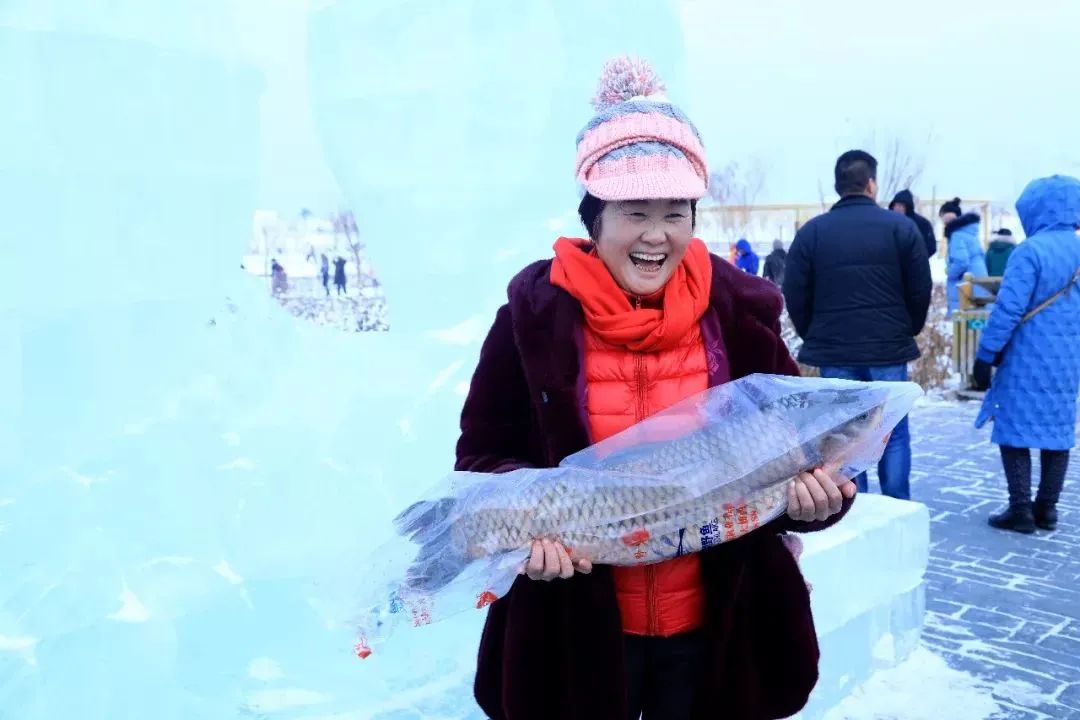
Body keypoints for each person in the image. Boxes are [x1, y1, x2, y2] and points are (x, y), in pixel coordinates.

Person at [459, 56, 857, 720]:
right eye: (634, 211)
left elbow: (798, 456)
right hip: (577, 629)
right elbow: (481, 461)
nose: (655, 235)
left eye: (675, 212)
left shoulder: (740, 317)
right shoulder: (533, 321)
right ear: (594, 219)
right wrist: (524, 538)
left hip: (716, 628)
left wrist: (816, 501)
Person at [782, 150, 932, 500]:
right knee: (893, 431)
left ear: (838, 186)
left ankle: (854, 508)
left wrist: (813, 333)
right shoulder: (901, 228)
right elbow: (920, 287)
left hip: (835, 351)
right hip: (887, 349)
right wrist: (907, 328)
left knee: (845, 438)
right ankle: (897, 506)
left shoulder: (812, 233)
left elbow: (795, 291)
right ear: (871, 184)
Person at [972, 175, 1080, 534]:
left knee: (1013, 429)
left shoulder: (1030, 251)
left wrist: (986, 354)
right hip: (1068, 361)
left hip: (1025, 359)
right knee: (1058, 433)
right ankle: (1047, 509)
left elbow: (1009, 309)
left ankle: (1020, 509)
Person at [939, 197, 990, 315]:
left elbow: (961, 262)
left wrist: (950, 273)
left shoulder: (957, 236)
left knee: (963, 321)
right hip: (978, 284)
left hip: (965, 287)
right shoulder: (970, 233)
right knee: (977, 321)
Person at [889, 189, 937, 258]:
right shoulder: (888, 223)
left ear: (908, 207)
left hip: (915, 262)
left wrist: (917, 259)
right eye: (895, 205)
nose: (897, 208)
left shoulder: (922, 223)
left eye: (901, 205)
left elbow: (931, 247)